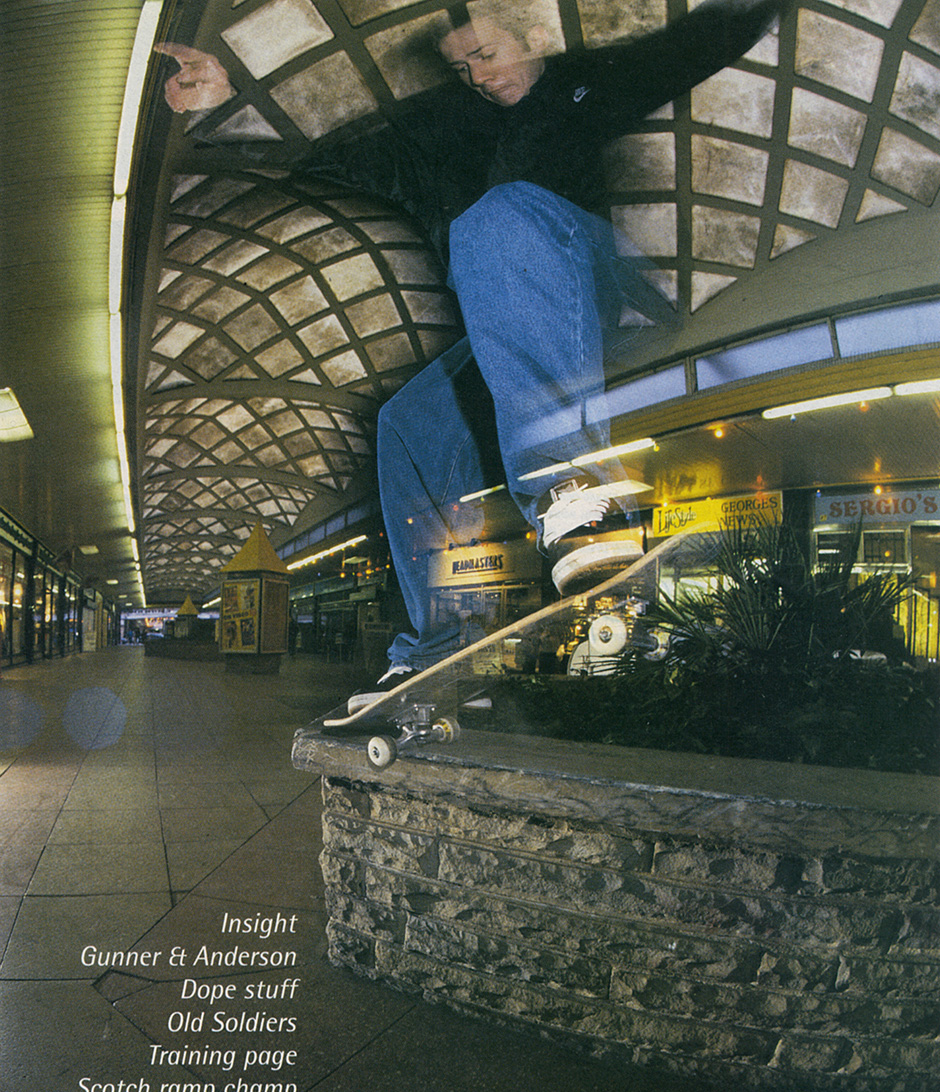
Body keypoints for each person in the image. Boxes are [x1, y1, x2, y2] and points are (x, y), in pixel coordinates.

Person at [159, 0, 786, 698]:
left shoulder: (584, 84)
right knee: (409, 422)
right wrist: (234, 98)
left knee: (496, 218)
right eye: (463, 68)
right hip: (510, 328)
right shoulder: (441, 130)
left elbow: (692, 43)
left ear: (532, 38)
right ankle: (440, 643)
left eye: (486, 56)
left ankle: (573, 492)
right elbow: (337, 147)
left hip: (591, 289)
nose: (479, 78)